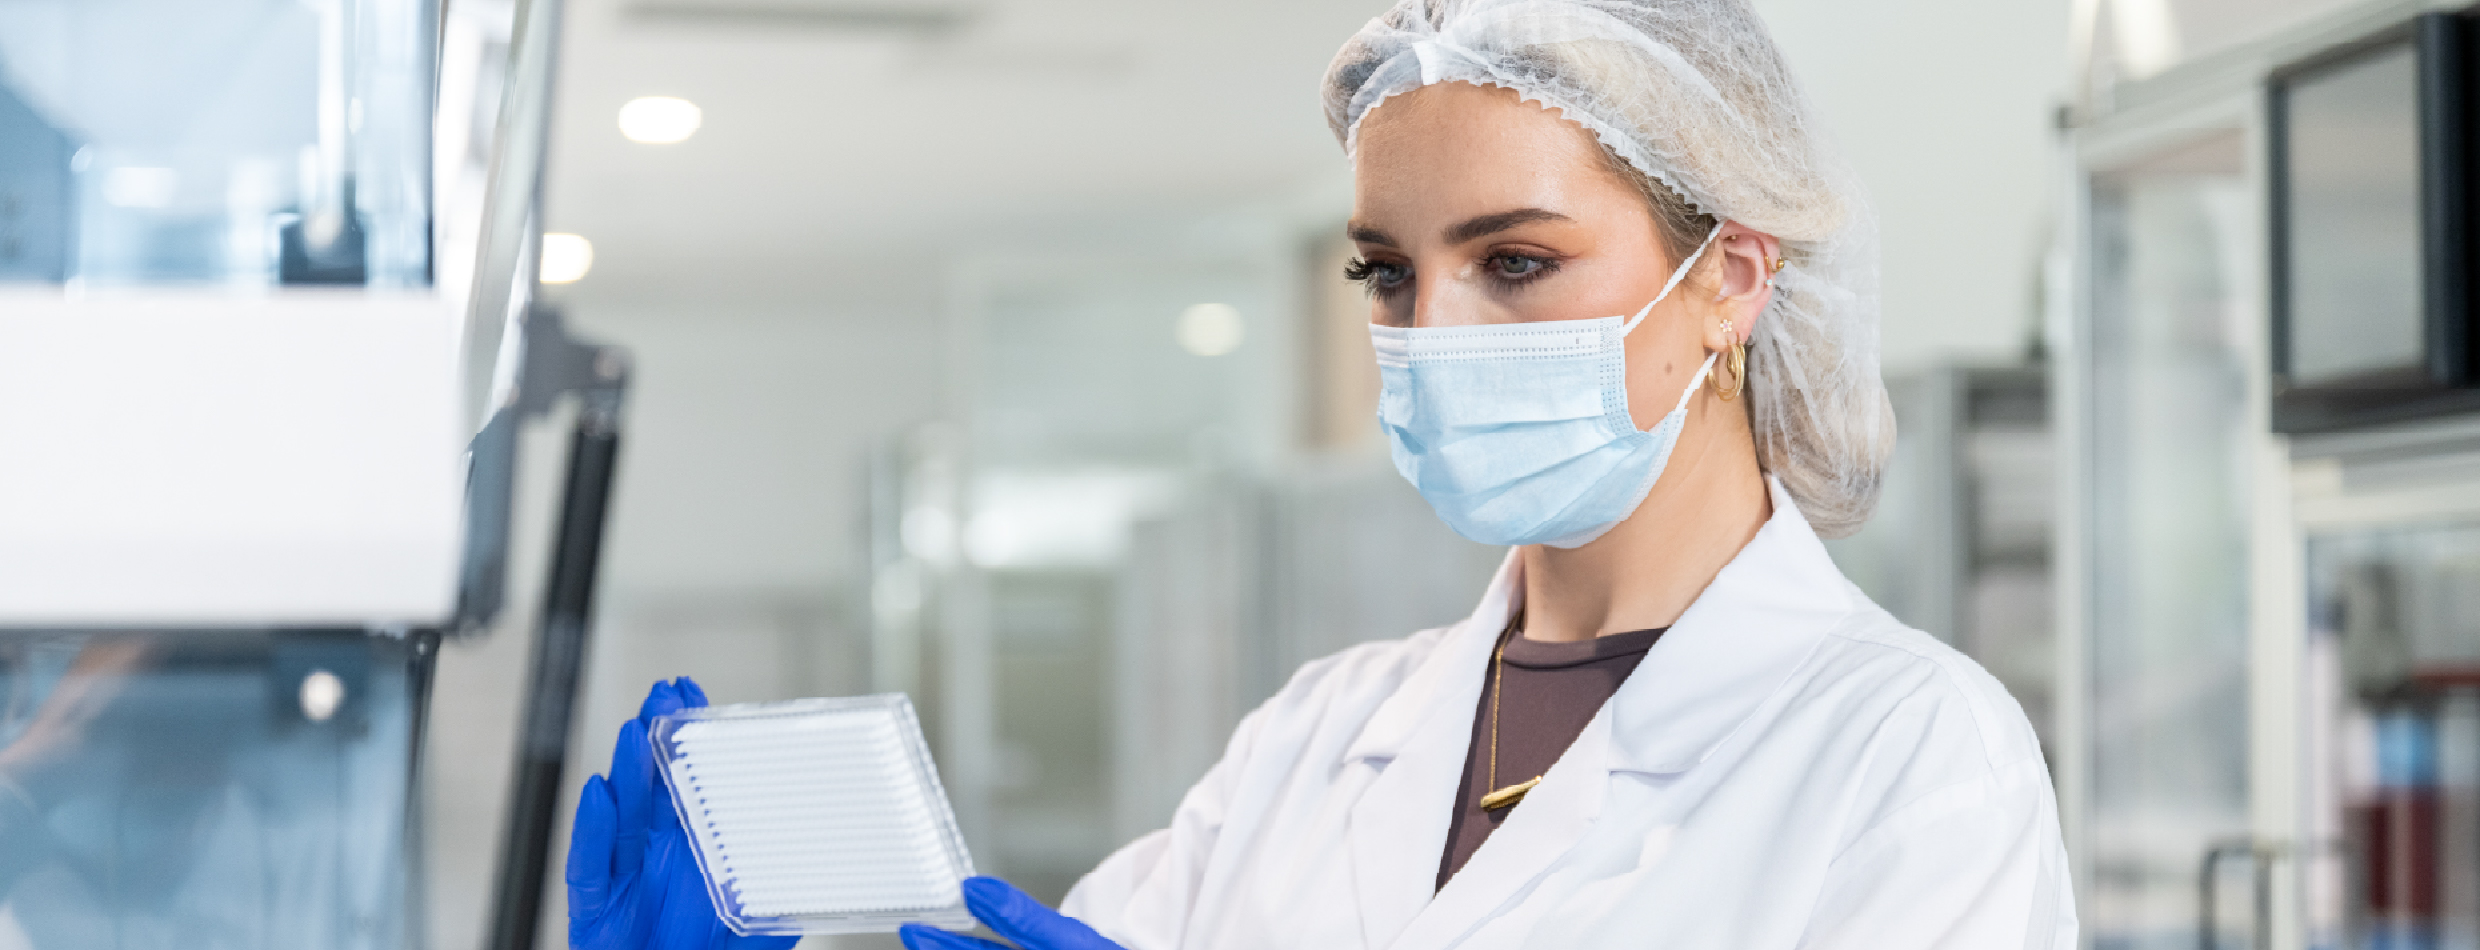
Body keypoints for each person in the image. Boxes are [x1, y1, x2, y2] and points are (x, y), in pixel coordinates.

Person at [569, 0, 2075, 947]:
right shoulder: (1320, 737)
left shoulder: (1912, 756)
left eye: (1518, 261)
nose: (1436, 331)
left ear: (1730, 276)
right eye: (1388, 272)